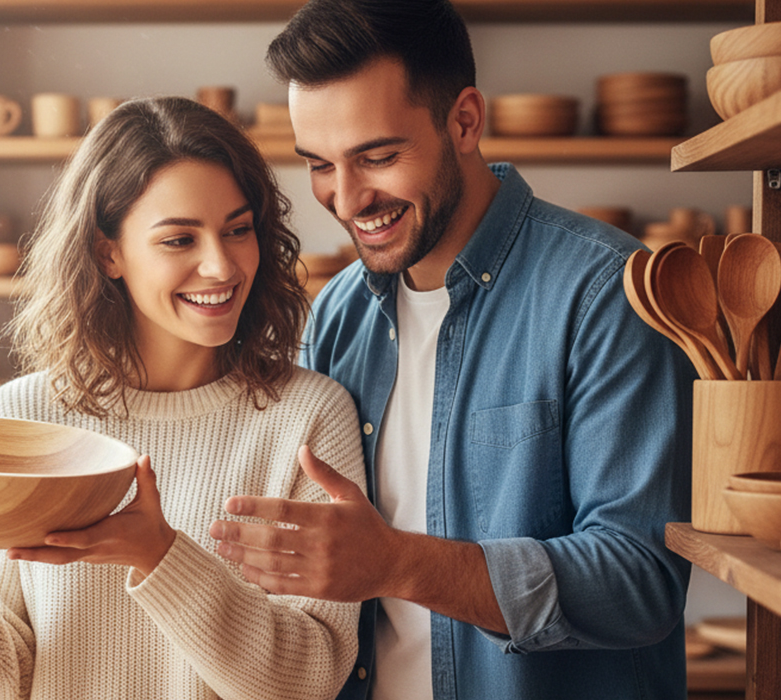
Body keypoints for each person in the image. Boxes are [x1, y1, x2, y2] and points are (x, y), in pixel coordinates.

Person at [208, 2, 695, 698]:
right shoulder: (340, 313)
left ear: (465, 120)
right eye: (319, 164)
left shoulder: (606, 293)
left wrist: (400, 563)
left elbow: (639, 583)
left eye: (377, 157)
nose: (346, 199)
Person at [0, 96, 366, 700]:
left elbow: (308, 681)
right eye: (178, 240)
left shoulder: (310, 418)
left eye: (237, 230)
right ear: (107, 252)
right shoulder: (24, 417)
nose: (220, 265)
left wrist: (159, 555)